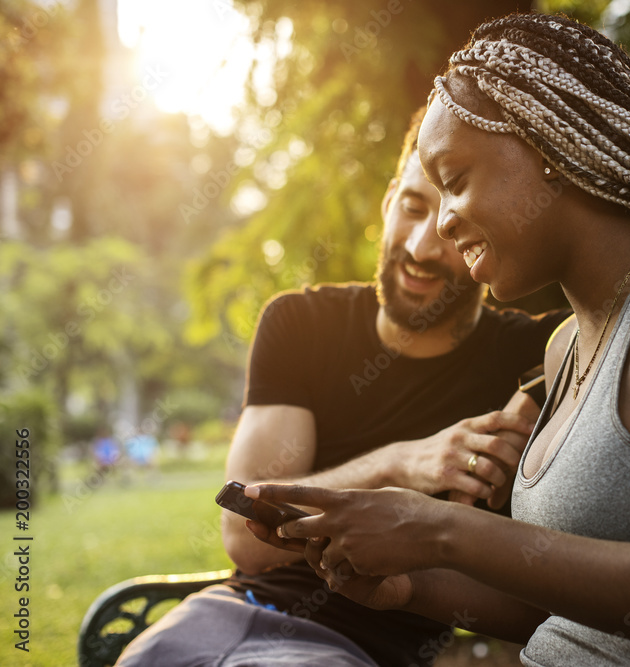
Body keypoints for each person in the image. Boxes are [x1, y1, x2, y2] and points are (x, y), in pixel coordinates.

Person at [246, 13, 630, 667]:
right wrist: (408, 585)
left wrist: (438, 529)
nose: (444, 223)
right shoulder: (564, 347)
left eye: (455, 181)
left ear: (550, 150)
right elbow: (574, 609)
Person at [115, 109, 567, 667]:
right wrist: (398, 464)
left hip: (350, 651)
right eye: (412, 207)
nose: (424, 248)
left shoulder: (540, 356)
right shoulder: (300, 323)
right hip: (217, 618)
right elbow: (244, 537)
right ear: (387, 204)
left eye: (454, 221)